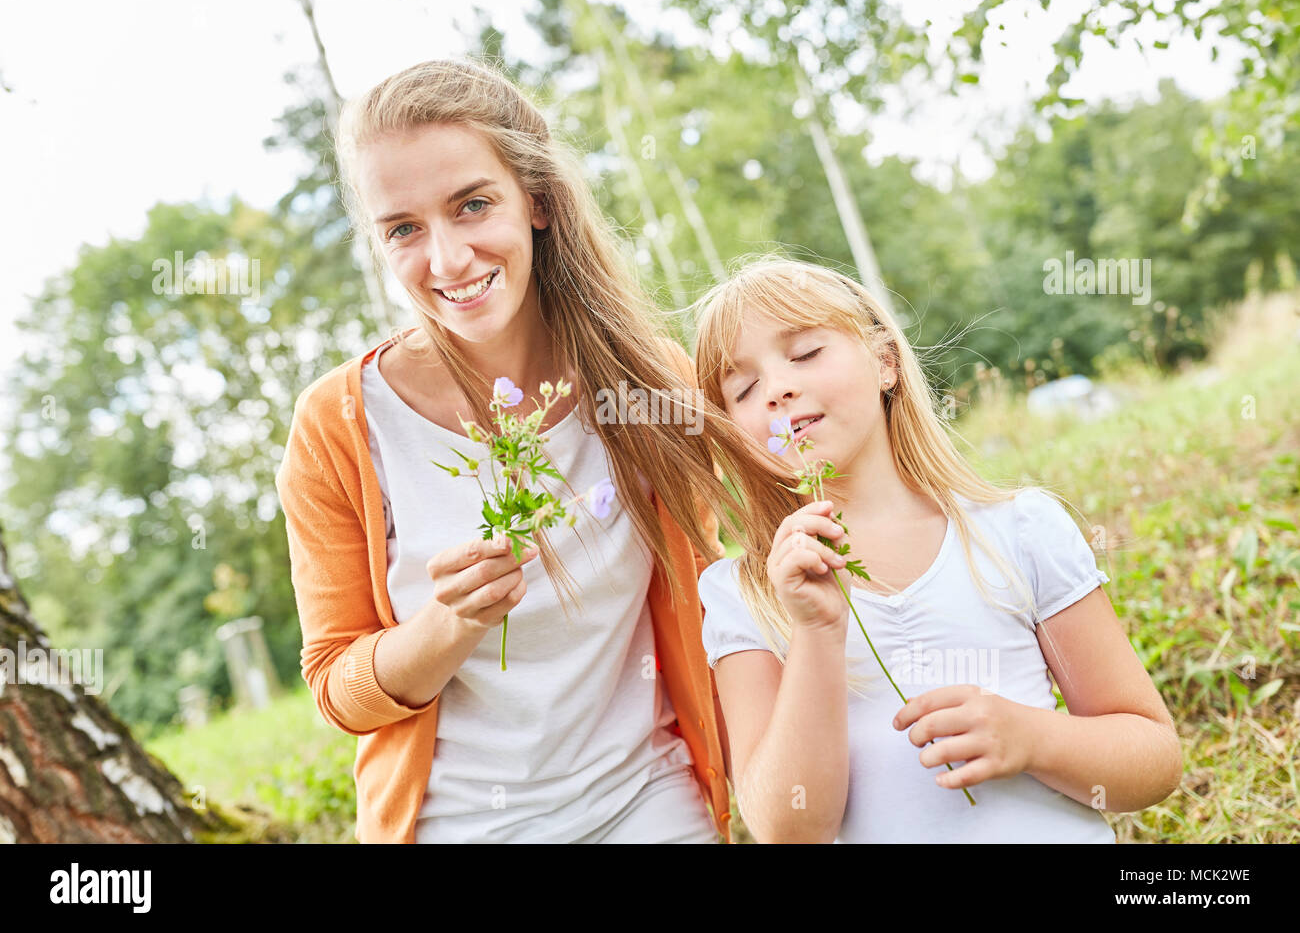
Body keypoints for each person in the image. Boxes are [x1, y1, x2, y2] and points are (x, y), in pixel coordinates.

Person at [274, 58, 743, 843]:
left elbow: (730, 570)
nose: (448, 260)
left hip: (649, 802)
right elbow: (336, 688)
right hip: (456, 825)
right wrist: (444, 626)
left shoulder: (648, 383)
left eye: (472, 205)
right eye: (404, 230)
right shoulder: (339, 425)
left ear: (540, 202)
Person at [690, 257, 1183, 843]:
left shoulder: (1017, 531)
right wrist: (817, 634)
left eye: (805, 353)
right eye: (744, 388)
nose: (778, 389)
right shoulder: (743, 595)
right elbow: (790, 830)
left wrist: (1032, 738)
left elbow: (1153, 760)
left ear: (885, 361)